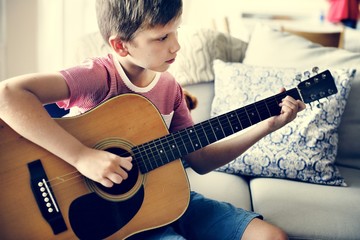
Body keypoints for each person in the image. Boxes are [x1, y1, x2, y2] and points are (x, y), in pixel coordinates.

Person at [0, 0, 305, 239]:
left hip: (165, 201)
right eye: (161, 37)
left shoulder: (169, 87)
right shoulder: (97, 76)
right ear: (121, 45)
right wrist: (82, 157)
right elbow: (8, 95)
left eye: (176, 31)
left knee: (270, 236)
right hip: (109, 220)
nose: (176, 46)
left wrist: (267, 126)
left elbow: (199, 160)